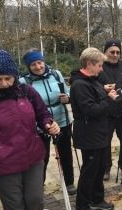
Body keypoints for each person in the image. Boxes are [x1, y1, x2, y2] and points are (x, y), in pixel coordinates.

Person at [0, 50, 60, 210]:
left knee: (36, 201)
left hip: (32, 157)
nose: (4, 83)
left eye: (8, 78)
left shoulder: (27, 91)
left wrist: (49, 124)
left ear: (14, 76)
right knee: (15, 206)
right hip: (3, 161)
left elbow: (42, 113)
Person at [19, 49, 76, 195]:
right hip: (40, 124)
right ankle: (39, 185)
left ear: (43, 61)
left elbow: (67, 90)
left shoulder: (56, 74)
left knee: (65, 154)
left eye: (39, 62)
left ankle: (69, 183)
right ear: (28, 66)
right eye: (33, 65)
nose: (38, 67)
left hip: (61, 119)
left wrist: (67, 97)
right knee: (41, 156)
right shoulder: (24, 81)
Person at [69, 47, 118, 210]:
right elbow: (91, 110)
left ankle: (97, 200)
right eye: (99, 65)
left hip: (99, 133)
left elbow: (96, 96)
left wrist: (104, 91)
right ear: (89, 64)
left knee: (99, 168)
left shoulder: (92, 80)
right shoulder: (79, 84)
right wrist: (109, 99)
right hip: (89, 134)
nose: (102, 68)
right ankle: (83, 205)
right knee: (89, 171)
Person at [98, 39, 122, 180]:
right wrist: (103, 90)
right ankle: (105, 168)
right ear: (105, 52)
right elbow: (94, 87)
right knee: (105, 141)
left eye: (117, 52)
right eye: (112, 52)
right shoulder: (100, 66)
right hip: (106, 112)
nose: (115, 55)